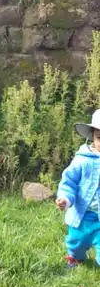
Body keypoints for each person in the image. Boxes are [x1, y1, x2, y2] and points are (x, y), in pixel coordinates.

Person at [56, 109, 100, 268]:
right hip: (82, 215)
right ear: (92, 138)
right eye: (99, 138)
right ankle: (75, 258)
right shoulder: (82, 160)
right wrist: (66, 199)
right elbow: (69, 182)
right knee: (77, 242)